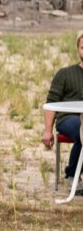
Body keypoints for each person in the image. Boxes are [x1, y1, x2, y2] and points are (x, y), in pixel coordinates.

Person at [42, 30, 83, 184]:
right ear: (78, 49)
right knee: (82, 131)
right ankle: (73, 175)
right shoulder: (64, 74)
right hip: (68, 118)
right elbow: (51, 103)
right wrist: (47, 131)